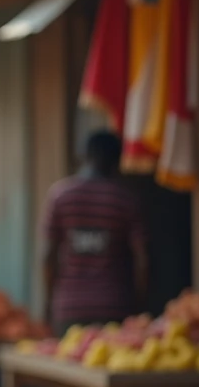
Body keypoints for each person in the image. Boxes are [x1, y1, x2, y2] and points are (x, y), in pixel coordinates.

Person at [42, 130, 149, 334]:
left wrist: (49, 304)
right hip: (114, 307)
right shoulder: (124, 200)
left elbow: (48, 256)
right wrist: (138, 305)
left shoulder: (60, 196)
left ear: (85, 156)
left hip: (70, 308)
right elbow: (142, 260)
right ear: (116, 161)